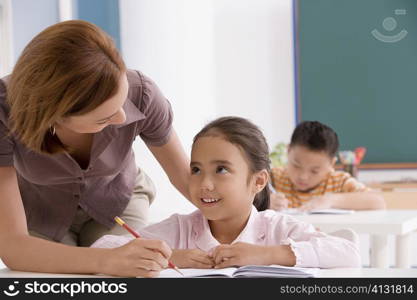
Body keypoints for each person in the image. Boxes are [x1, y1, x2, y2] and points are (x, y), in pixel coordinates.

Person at [0, 20, 191, 277]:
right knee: (57, 278)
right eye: (104, 119)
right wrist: (106, 260)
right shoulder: (4, 111)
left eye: (122, 102)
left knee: (129, 270)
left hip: (118, 200)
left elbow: (188, 178)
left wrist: (258, 209)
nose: (123, 118)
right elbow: (15, 249)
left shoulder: (142, 93)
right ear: (54, 115)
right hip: (40, 212)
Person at [92, 117, 361, 269]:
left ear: (258, 182)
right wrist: (170, 255)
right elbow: (101, 248)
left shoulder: (277, 228)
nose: (204, 183)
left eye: (221, 170)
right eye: (196, 170)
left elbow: (348, 252)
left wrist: (264, 255)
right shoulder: (180, 229)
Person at [269, 121, 385, 211]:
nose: (303, 176)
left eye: (314, 171)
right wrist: (264, 203)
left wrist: (331, 200)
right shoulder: (273, 177)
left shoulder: (338, 182)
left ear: (331, 164)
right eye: (296, 166)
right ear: (288, 151)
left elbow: (378, 201)